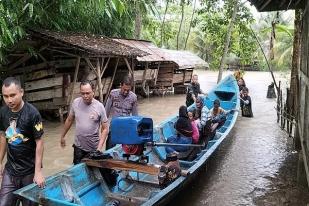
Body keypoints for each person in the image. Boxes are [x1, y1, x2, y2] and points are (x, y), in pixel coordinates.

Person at [0, 77, 45, 206]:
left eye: (13, 95)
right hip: (10, 170)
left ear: (21, 92)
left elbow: (40, 142)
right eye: (5, 96)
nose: (9, 100)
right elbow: (3, 136)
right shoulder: (3, 112)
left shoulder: (33, 114)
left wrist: (38, 172)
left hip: (29, 172)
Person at [60, 80, 109, 164]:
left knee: (94, 173)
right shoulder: (76, 103)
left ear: (93, 92)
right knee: (77, 171)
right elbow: (69, 119)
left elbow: (105, 129)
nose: (85, 96)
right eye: (82, 93)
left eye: (88, 93)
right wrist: (62, 136)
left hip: (93, 149)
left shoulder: (99, 107)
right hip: (78, 147)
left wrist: (99, 148)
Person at [105, 76, 138, 150]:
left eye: (128, 90)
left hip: (126, 129)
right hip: (114, 128)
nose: (126, 92)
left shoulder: (133, 97)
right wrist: (104, 128)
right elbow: (105, 112)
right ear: (121, 85)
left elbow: (135, 116)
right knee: (109, 150)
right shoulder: (113, 94)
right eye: (124, 89)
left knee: (125, 151)